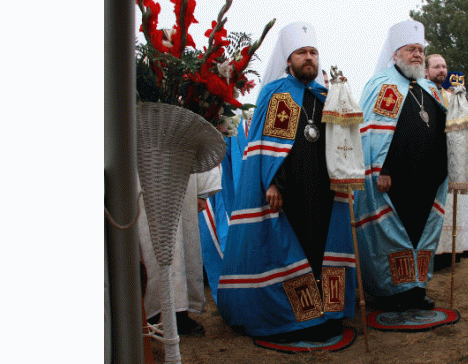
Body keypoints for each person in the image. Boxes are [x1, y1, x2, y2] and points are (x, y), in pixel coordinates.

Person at [215, 21, 356, 342]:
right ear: (288, 59)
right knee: (296, 249)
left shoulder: (325, 96)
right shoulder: (276, 94)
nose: (309, 58)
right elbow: (267, 146)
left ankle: (329, 311)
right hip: (289, 191)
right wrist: (273, 184)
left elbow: (342, 141)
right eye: (302, 53)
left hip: (324, 188)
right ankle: (302, 316)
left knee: (323, 249)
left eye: (313, 52)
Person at [354, 20, 448, 311]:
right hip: (395, 179)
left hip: (427, 178)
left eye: (420, 50)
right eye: (411, 50)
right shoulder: (381, 85)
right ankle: (392, 292)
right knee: (395, 234)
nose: (417, 55)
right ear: (396, 54)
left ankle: (417, 288)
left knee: (422, 232)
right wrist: (382, 169)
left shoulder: (430, 90)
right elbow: (374, 136)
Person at [139, 168, 221, 335]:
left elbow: (201, 141)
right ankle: (147, 317)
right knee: (147, 247)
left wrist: (201, 192)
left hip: (180, 181)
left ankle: (180, 314)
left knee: (182, 250)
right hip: (143, 180)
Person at [429, 60, 468, 268]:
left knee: (458, 212)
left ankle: (455, 250)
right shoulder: (435, 99)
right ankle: (438, 253)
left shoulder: (462, 105)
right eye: (453, 88)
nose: (455, 93)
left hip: (459, 167)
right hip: (440, 164)